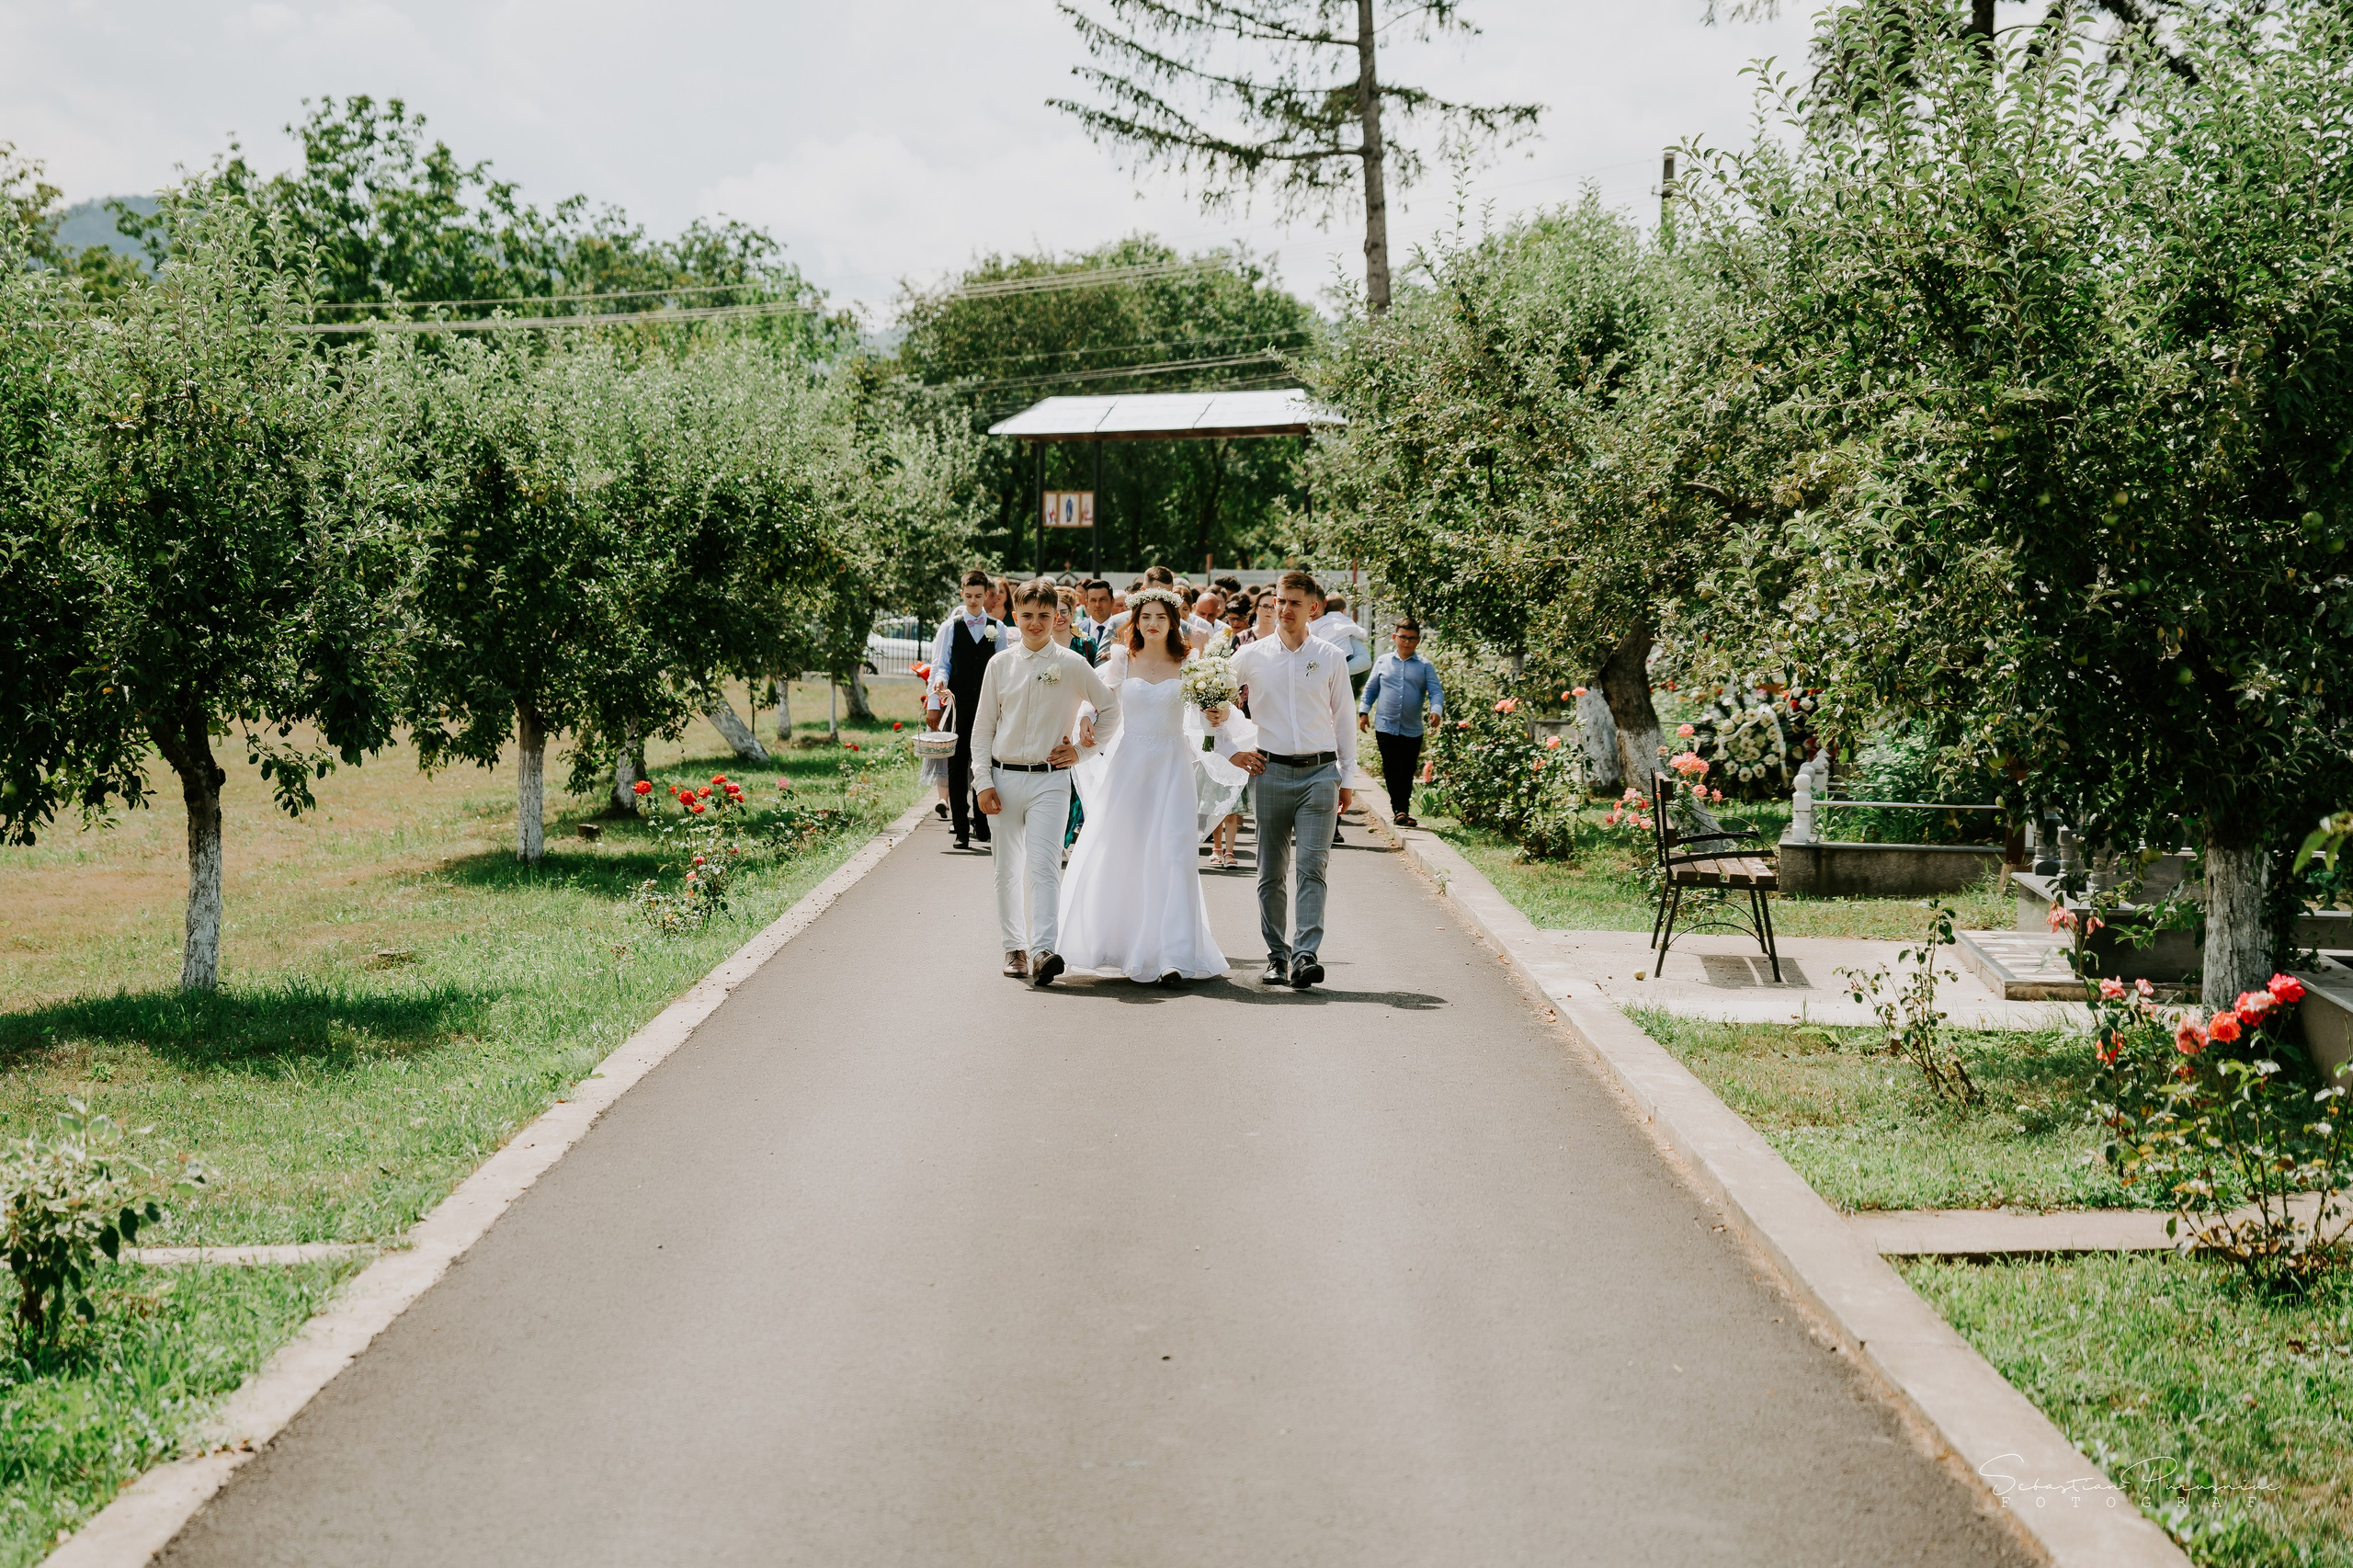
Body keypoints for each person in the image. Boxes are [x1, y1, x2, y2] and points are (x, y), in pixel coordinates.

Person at [1058, 590, 1253, 984]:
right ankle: (1120, 944)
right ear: (1136, 620)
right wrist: (1084, 718)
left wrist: (1228, 738)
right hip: (1129, 766)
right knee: (1124, 850)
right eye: (1146, 616)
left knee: (1172, 853)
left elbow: (1211, 716)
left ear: (1173, 622)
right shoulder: (1119, 659)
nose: (1152, 624)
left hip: (1172, 766)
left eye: (1161, 617)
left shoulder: (1190, 663)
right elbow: (1091, 698)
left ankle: (1174, 955)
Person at [972, 579, 1123, 984]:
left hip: (1050, 780)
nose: (1035, 623)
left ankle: (1043, 950)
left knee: (1043, 866)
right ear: (1015, 617)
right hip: (1003, 778)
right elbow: (983, 727)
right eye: (1026, 616)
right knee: (1007, 868)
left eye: (1043, 615)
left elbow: (1110, 708)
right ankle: (1014, 948)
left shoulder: (1072, 663)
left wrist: (1082, 751)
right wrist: (982, 780)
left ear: (1057, 616)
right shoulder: (999, 664)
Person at [1227, 571, 1355, 990]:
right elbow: (1211, 700)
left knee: (1312, 867)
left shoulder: (1331, 656)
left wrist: (1346, 775)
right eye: (1280, 601)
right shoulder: (1251, 656)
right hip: (1270, 771)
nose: (1284, 609)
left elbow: (1345, 719)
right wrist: (1233, 749)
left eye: (1294, 602)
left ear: (1312, 608)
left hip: (1320, 773)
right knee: (1270, 871)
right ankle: (1277, 956)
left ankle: (1305, 956)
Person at [928, 570, 1007, 849]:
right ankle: (961, 829)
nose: (974, 601)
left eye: (979, 596)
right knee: (957, 764)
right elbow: (942, 664)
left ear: (987, 595)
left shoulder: (998, 627)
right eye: (969, 596)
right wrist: (938, 687)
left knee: (982, 762)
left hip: (986, 706)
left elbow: (1003, 666)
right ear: (962, 593)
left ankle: (982, 825)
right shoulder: (951, 627)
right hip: (958, 706)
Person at [1358, 618, 1444, 827]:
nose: (1407, 642)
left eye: (1412, 638)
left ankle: (1401, 809)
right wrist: (1363, 712)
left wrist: (1436, 711)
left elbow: (1436, 692)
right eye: (1403, 637)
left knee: (1407, 770)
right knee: (1391, 767)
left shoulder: (1425, 666)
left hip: (1412, 729)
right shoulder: (1383, 661)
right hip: (1385, 726)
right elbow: (1370, 690)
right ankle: (1400, 810)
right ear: (1394, 637)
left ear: (1418, 640)